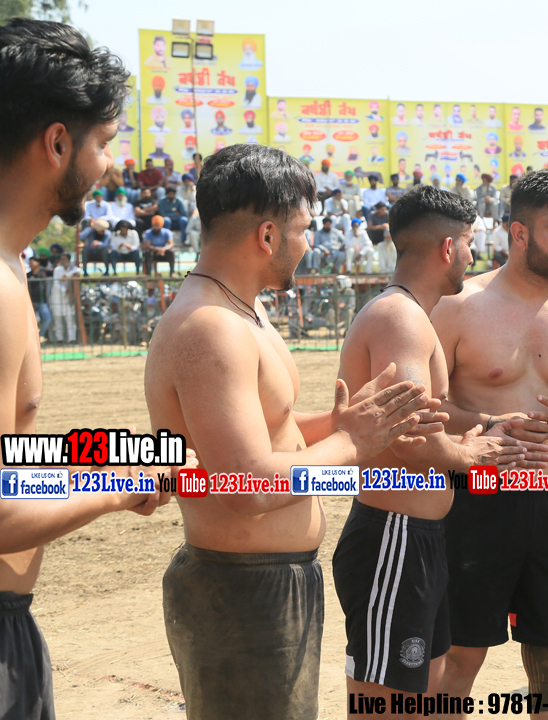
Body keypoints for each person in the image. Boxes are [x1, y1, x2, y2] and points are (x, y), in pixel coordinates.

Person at [144, 144, 438, 720]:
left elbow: (268, 432)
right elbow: (245, 484)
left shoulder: (241, 312)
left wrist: (345, 423)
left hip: (265, 582)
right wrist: (351, 443)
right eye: (305, 229)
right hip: (241, 590)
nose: (310, 243)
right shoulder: (211, 328)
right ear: (267, 235)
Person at [0, 21, 175, 720]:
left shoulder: (14, 267)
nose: (108, 164)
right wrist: (117, 487)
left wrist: (102, 459)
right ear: (57, 143)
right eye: (104, 142)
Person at [335, 185, 545, 709]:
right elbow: (411, 437)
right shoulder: (400, 318)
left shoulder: (410, 316)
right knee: (385, 704)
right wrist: (471, 455)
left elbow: (419, 425)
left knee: (422, 698)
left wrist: (479, 431)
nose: (475, 256)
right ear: (448, 247)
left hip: (416, 537)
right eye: (471, 243)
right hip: (395, 536)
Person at [431, 170, 548, 720]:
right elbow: (426, 407)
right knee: (459, 659)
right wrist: (489, 421)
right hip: (476, 498)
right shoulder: (458, 305)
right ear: (519, 233)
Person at [368, 202, 394, 273]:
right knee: (369, 231)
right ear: (377, 209)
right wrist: (381, 226)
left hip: (385, 234)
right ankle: (371, 245)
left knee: (388, 230)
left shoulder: (388, 214)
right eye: (382, 209)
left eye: (385, 209)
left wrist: (387, 226)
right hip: (375, 234)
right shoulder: (372, 215)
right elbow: (369, 226)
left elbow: (394, 224)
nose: (384, 211)